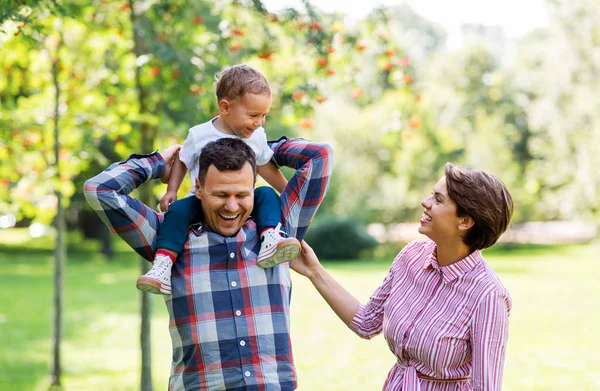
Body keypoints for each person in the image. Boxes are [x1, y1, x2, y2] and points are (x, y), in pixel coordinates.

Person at [84, 136, 333, 390]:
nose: (232, 206)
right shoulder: (167, 237)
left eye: (242, 194)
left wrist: (256, 145)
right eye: (221, 194)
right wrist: (158, 163)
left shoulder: (280, 230)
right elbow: (100, 190)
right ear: (199, 188)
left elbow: (320, 156)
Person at [291, 163, 514, 391]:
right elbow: (366, 322)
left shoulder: (488, 295)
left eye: (438, 200)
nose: (425, 202)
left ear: (465, 221)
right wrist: (313, 271)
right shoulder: (412, 256)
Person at [137, 64, 300, 295]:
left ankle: (270, 239)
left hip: (242, 204)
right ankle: (163, 265)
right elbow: (183, 160)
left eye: (264, 115)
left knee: (265, 194)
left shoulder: (257, 136)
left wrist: (288, 192)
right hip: (204, 203)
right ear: (225, 108)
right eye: (253, 115)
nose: (260, 122)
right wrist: (172, 190)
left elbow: (265, 166)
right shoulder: (200, 135)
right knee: (179, 210)